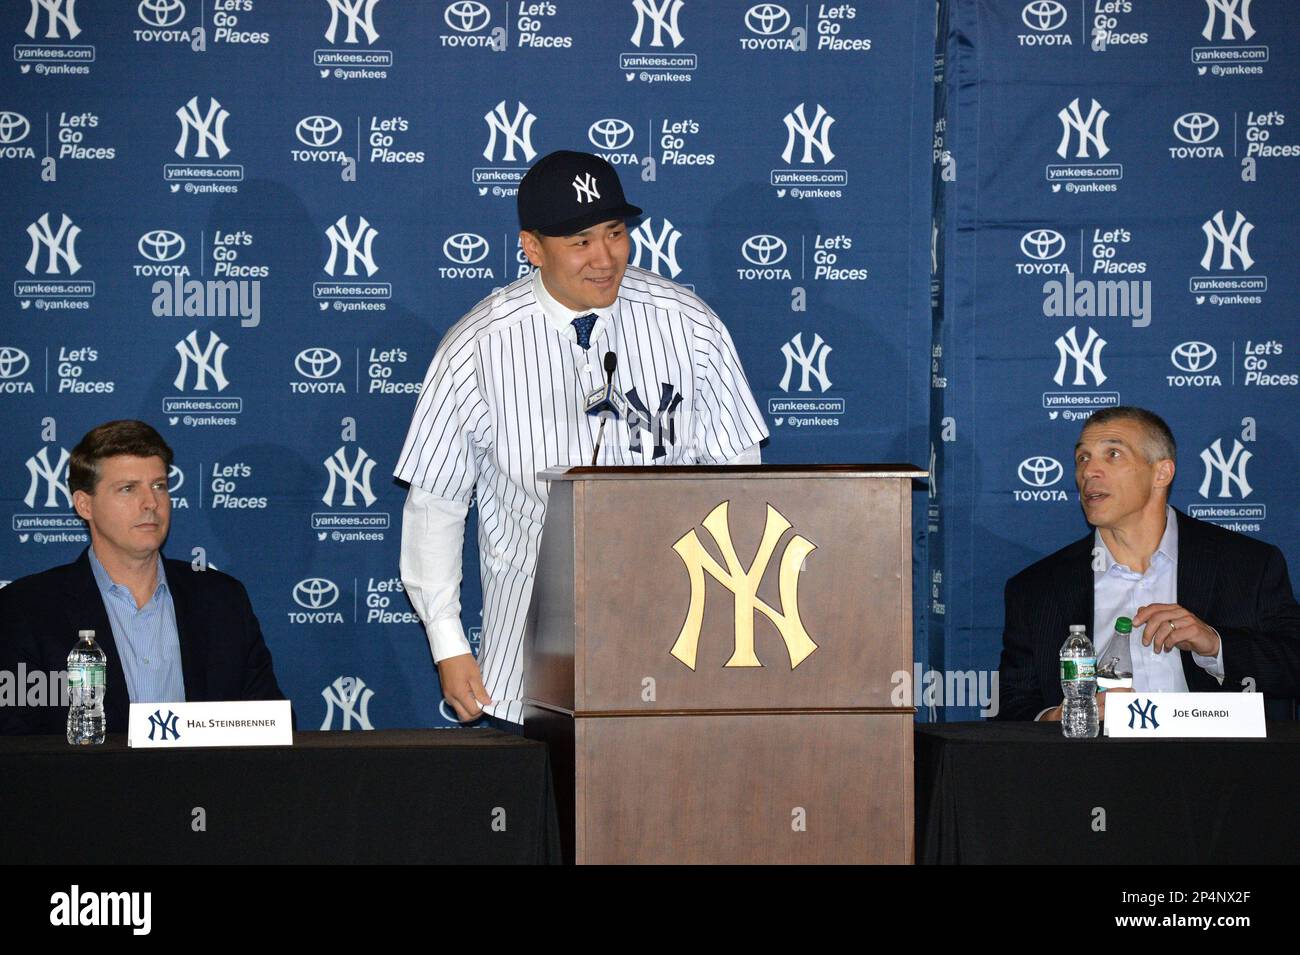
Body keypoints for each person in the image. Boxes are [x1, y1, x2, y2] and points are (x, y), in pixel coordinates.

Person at [395, 150, 769, 729]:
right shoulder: (477, 346)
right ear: (533, 248)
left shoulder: (688, 324)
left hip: (683, 650)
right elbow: (435, 505)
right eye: (580, 241)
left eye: (615, 234)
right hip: (531, 664)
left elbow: (743, 486)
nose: (605, 258)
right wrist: (447, 641)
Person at [996, 406, 1300, 721]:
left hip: (1218, 762)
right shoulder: (1038, 588)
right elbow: (1012, 707)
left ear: (1161, 473)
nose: (1089, 472)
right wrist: (1062, 717)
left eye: (1112, 454)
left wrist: (1215, 645)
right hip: (1094, 765)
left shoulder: (1247, 564)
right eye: (1082, 458)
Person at [0, 420, 288, 735]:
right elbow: (17, 745)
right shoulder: (27, 610)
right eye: (128, 488)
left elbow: (269, 729)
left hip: (207, 783)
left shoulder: (222, 600)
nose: (151, 503)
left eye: (159, 486)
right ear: (85, 505)